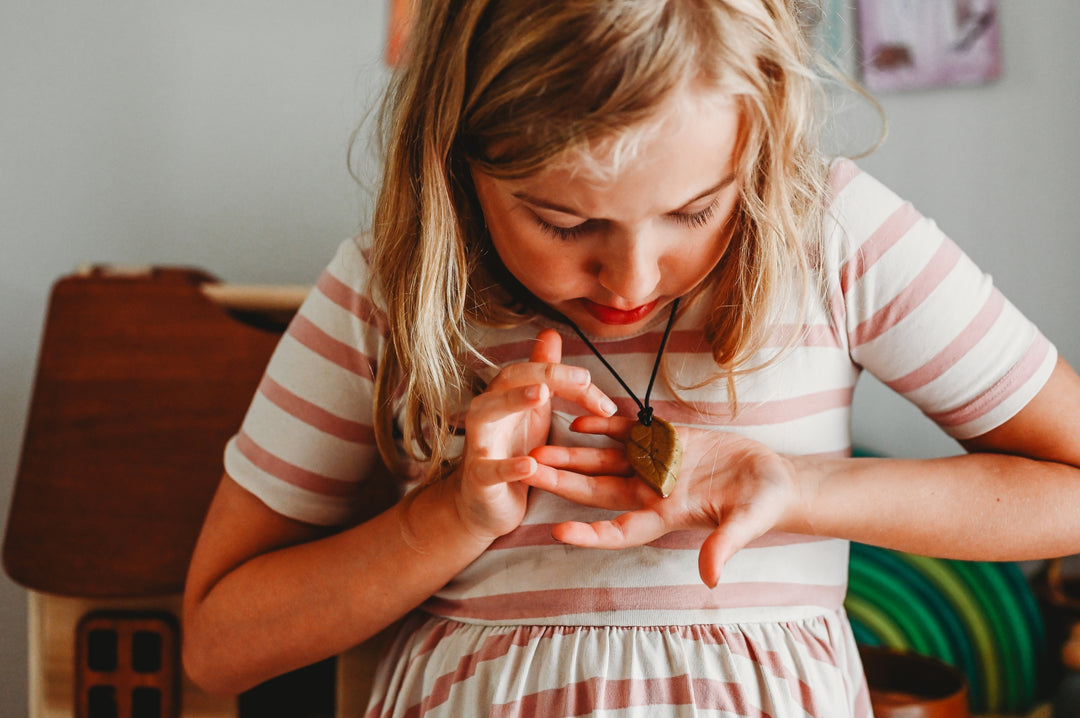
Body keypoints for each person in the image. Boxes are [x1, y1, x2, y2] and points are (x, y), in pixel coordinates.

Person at [181, 1, 1080, 715]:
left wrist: (801, 489)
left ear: (759, 139)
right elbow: (220, 643)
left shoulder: (837, 241)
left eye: (694, 211)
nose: (630, 279)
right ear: (456, 161)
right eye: (565, 223)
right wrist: (451, 518)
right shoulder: (388, 287)